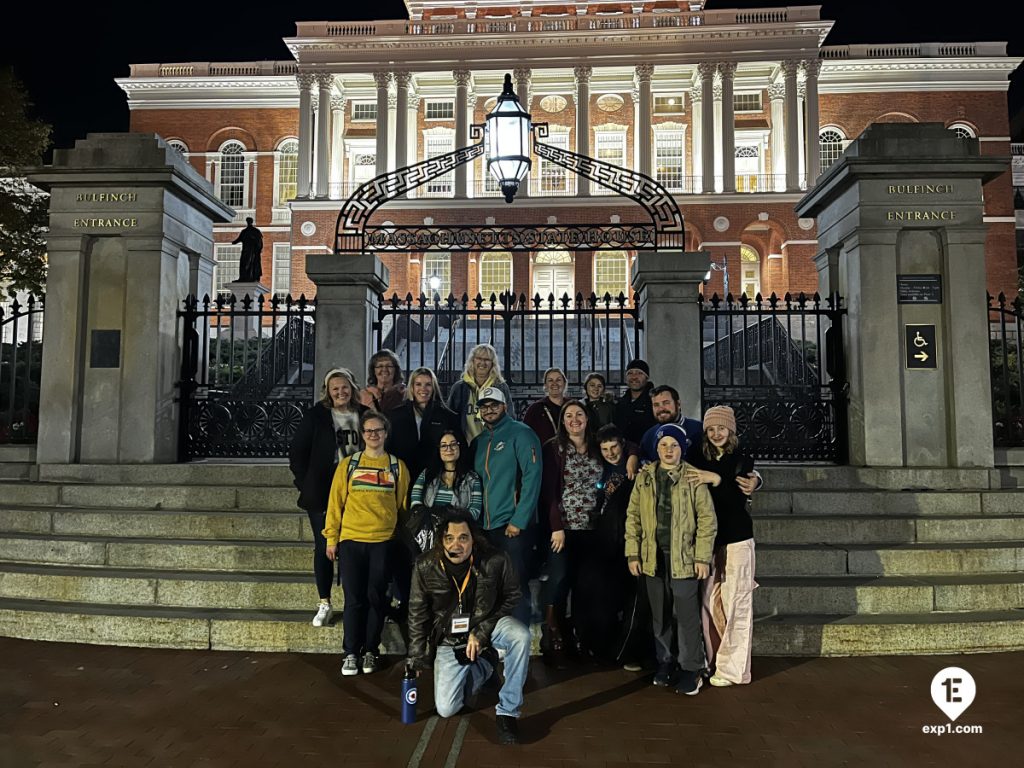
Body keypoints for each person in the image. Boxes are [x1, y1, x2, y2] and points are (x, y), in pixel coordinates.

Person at [407, 510, 531, 745]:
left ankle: (508, 711)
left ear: (473, 539)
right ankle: (486, 664)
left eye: (463, 537)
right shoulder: (425, 566)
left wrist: (482, 632)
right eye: (449, 538)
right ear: (440, 540)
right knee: (446, 709)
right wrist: (416, 657)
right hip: (450, 637)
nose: (457, 544)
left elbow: (513, 595)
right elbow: (416, 613)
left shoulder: (496, 559)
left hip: (489, 623)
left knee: (520, 635)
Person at [625, 423, 716, 696]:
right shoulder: (646, 477)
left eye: (674, 445)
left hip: (684, 558)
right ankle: (665, 661)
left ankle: (691, 667)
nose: (668, 450)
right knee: (660, 614)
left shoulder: (693, 477)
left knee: (686, 616)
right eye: (664, 445)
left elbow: (707, 520)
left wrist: (702, 557)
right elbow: (633, 517)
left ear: (681, 448)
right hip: (653, 557)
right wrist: (633, 553)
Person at [324, 411, 410, 677]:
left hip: (382, 542)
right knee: (353, 600)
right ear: (362, 435)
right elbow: (335, 503)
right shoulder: (348, 465)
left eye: (378, 430)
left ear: (386, 433)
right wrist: (331, 538)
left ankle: (371, 649)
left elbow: (402, 506)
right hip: (351, 540)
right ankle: (351, 652)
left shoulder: (397, 466)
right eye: (368, 431)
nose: (374, 435)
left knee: (376, 598)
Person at [288, 367, 366, 627]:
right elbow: (297, 453)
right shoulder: (316, 416)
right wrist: (305, 484)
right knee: (325, 547)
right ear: (328, 392)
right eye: (335, 388)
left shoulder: (364, 415)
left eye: (345, 387)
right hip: (322, 492)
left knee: (353, 548)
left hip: (357, 491)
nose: (341, 392)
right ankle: (324, 602)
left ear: (352, 388)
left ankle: (355, 601)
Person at [685, 406, 757, 687]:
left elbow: (736, 498)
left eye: (722, 428)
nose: (716, 433)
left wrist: (716, 479)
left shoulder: (742, 459)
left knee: (737, 602)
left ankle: (734, 669)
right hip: (707, 541)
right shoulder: (694, 455)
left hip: (737, 537)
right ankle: (713, 660)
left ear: (731, 431)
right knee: (709, 602)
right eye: (712, 428)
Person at [538, 400, 605, 666]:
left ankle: (580, 635)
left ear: (587, 419)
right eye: (568, 415)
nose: (574, 419)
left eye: (579, 414)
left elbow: (628, 447)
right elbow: (549, 491)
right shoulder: (554, 448)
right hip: (562, 529)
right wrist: (556, 527)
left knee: (585, 583)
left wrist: (633, 456)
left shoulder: (598, 445)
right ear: (562, 421)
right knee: (559, 578)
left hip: (592, 529)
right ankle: (553, 634)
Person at [471, 386, 542, 625]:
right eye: (484, 406)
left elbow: (533, 477)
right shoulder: (479, 441)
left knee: (515, 584)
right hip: (484, 527)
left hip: (511, 526)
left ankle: (518, 637)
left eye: (494, 405)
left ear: (504, 406)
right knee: (489, 584)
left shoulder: (521, 434)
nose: (488, 410)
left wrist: (518, 520)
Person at [594, 424, 651, 669]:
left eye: (614, 447)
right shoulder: (600, 468)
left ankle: (630, 652)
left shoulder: (636, 467)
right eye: (605, 449)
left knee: (634, 599)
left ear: (622, 444)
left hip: (631, 541)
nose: (610, 453)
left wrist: (633, 455)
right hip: (607, 543)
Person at [639, 385, 762, 496]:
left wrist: (756, 477)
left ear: (678, 403)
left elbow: (728, 459)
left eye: (666, 403)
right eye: (656, 405)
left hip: (704, 500)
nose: (661, 409)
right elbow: (643, 463)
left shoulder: (701, 430)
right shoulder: (649, 436)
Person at [386, 367, 463, 497]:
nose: (423, 389)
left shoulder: (447, 416)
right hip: (403, 476)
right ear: (412, 387)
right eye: (418, 384)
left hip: (436, 478)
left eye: (428, 384)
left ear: (434, 388)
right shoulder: (395, 416)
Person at [406, 430, 483, 553]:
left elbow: (475, 510)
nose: (449, 449)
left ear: (460, 446)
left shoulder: (472, 478)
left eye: (453, 444)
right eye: (444, 445)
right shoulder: (427, 474)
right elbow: (415, 499)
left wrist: (454, 523)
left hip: (458, 536)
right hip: (428, 534)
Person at [447, 343, 514, 443]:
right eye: (479, 358)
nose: (482, 362)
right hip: (466, 447)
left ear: (492, 363)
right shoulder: (459, 388)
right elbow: (450, 419)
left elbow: (509, 417)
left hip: (494, 445)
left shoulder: (501, 387)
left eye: (487, 359)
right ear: (472, 361)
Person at [613, 358, 656, 445]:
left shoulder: (655, 400)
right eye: (630, 373)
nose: (634, 377)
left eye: (639, 373)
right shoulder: (621, 403)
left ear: (647, 377)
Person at [523, 367, 568, 446]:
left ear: (564, 383)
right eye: (550, 380)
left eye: (558, 380)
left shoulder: (573, 406)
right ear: (545, 385)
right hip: (544, 455)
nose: (555, 383)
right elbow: (525, 435)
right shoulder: (535, 409)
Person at [231, 216, 263, 283]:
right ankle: (243, 277)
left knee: (251, 264)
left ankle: (252, 277)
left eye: (249, 221)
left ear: (251, 222)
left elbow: (259, 241)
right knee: (243, 263)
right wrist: (234, 242)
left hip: (253, 251)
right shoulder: (244, 231)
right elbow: (239, 239)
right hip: (245, 250)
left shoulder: (255, 231)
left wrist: (256, 246)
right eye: (247, 221)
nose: (248, 222)